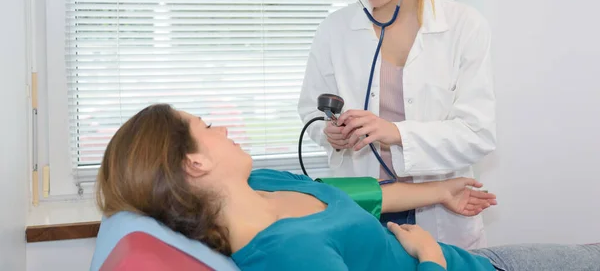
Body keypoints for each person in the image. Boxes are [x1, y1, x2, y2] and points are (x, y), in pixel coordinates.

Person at [97, 104, 600, 271]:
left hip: (481, 262)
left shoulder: (260, 182)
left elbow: (362, 196)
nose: (224, 130)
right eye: (207, 126)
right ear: (195, 163)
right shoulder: (288, 253)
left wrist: (441, 190)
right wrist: (429, 257)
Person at [298, 0, 496, 249]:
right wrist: (331, 134)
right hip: (363, 204)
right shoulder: (335, 30)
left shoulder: (464, 26)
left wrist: (395, 133)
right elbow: (310, 113)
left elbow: (478, 133)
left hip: (441, 210)